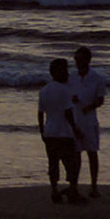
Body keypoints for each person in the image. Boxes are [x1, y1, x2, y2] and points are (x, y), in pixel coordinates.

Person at [38, 58, 86, 204]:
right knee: (71, 163)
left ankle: (54, 191)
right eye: (64, 70)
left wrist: (42, 131)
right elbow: (68, 113)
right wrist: (76, 128)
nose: (67, 73)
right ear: (57, 72)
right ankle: (72, 191)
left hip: (50, 132)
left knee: (53, 163)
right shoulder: (64, 90)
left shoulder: (44, 90)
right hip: (63, 133)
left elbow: (40, 113)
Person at [71, 46, 106, 198]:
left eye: (79, 60)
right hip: (75, 119)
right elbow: (66, 95)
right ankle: (75, 185)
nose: (77, 63)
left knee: (92, 152)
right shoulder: (71, 77)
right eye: (76, 60)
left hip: (90, 120)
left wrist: (90, 106)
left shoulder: (97, 78)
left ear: (88, 60)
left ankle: (94, 185)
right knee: (76, 154)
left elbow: (101, 99)